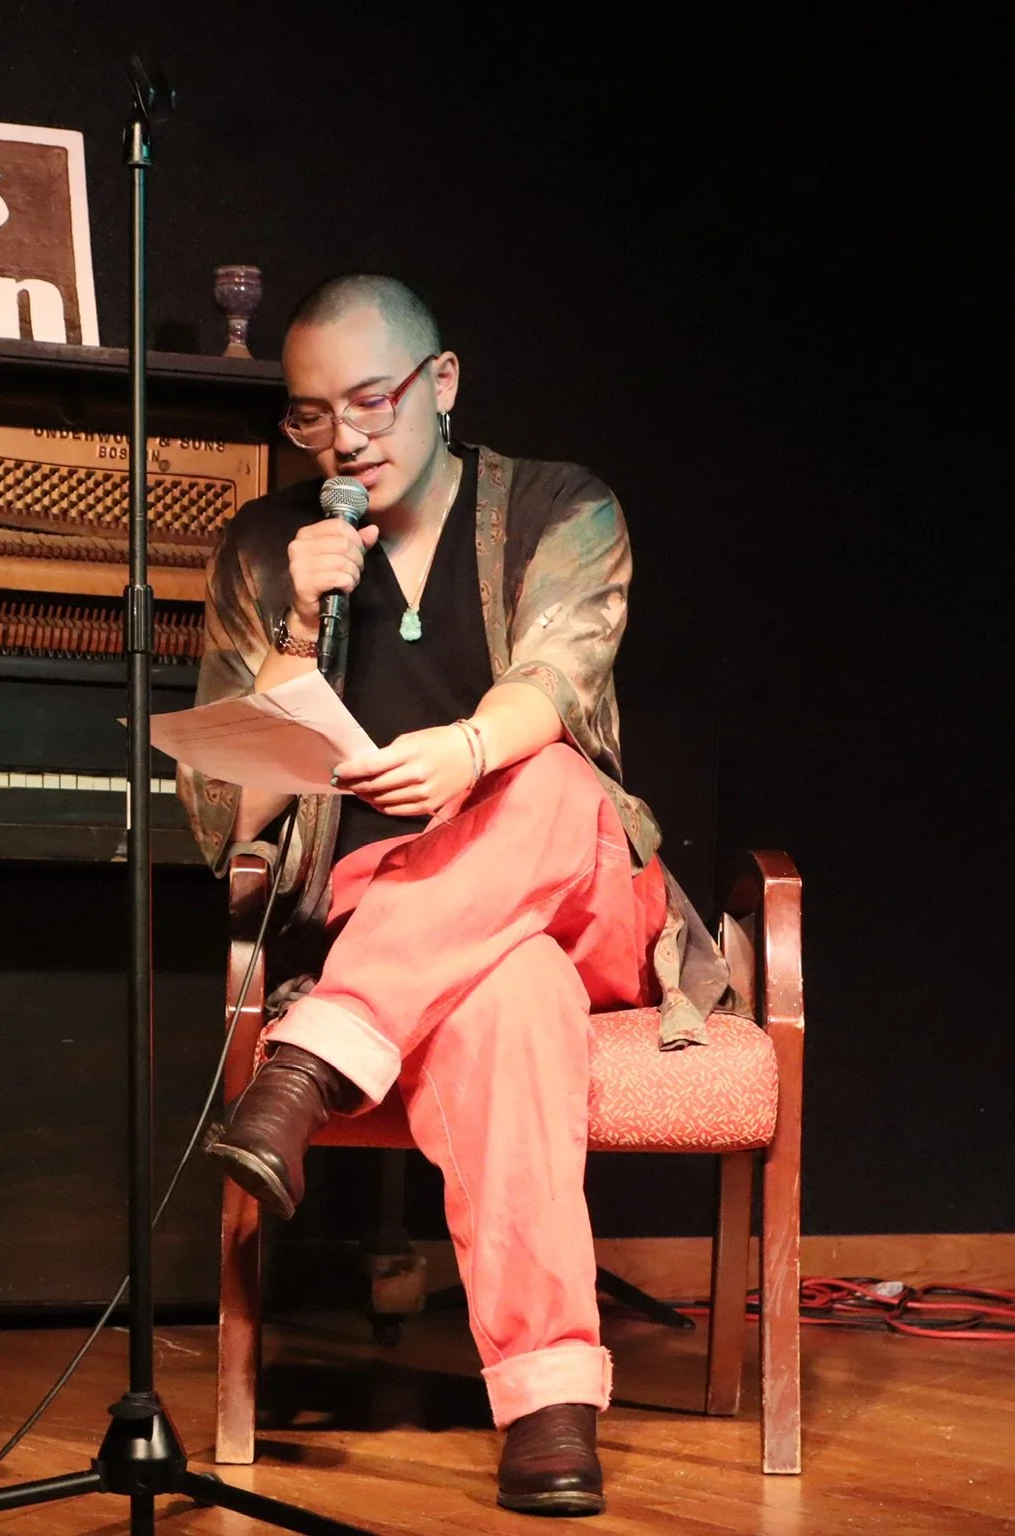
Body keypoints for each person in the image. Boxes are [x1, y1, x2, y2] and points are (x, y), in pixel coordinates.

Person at [178, 274, 728, 1517]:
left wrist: (471, 753)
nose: (346, 438)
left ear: (442, 384)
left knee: (543, 783)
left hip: (579, 884)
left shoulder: (559, 506)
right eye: (310, 417)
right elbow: (224, 820)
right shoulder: (266, 550)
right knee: (508, 999)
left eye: (371, 400)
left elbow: (562, 676)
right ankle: (546, 1404)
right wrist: (290, 639)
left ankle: (306, 1066)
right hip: (406, 932)